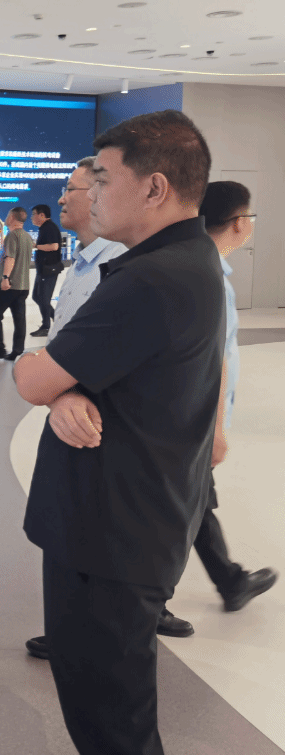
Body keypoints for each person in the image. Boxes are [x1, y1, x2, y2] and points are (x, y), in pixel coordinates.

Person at [14, 110, 225, 755]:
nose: (91, 194)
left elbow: (30, 377)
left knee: (111, 725)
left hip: (110, 537)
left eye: (102, 180)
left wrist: (53, 382)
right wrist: (67, 388)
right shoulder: (189, 259)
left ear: (155, 188)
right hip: (130, 524)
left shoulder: (152, 279)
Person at [20, 157, 127, 661]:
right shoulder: (83, 263)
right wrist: (58, 391)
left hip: (97, 426)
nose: (61, 198)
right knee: (64, 533)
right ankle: (70, 628)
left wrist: (48, 380)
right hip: (66, 411)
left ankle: (91, 636)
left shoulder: (118, 266)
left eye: (72, 189)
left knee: (91, 535)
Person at [185, 183, 276, 611]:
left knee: (196, 501)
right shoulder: (211, 279)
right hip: (194, 421)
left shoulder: (196, 265)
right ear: (240, 223)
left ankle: (229, 579)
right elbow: (213, 361)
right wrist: (217, 429)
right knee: (188, 502)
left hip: (188, 418)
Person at [0, 206, 34, 361]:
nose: (6, 218)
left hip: (10, 285)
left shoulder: (12, 236)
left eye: (8, 215)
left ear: (12, 217)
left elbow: (10, 258)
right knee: (19, 319)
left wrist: (5, 278)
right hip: (23, 286)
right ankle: (17, 351)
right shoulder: (27, 237)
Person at [29, 204, 63, 336]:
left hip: (49, 269)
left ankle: (46, 326)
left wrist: (36, 246)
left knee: (43, 298)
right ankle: (57, 319)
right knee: (37, 297)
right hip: (43, 270)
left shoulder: (49, 228)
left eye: (34, 214)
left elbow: (54, 246)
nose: (32, 217)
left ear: (42, 215)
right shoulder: (45, 228)